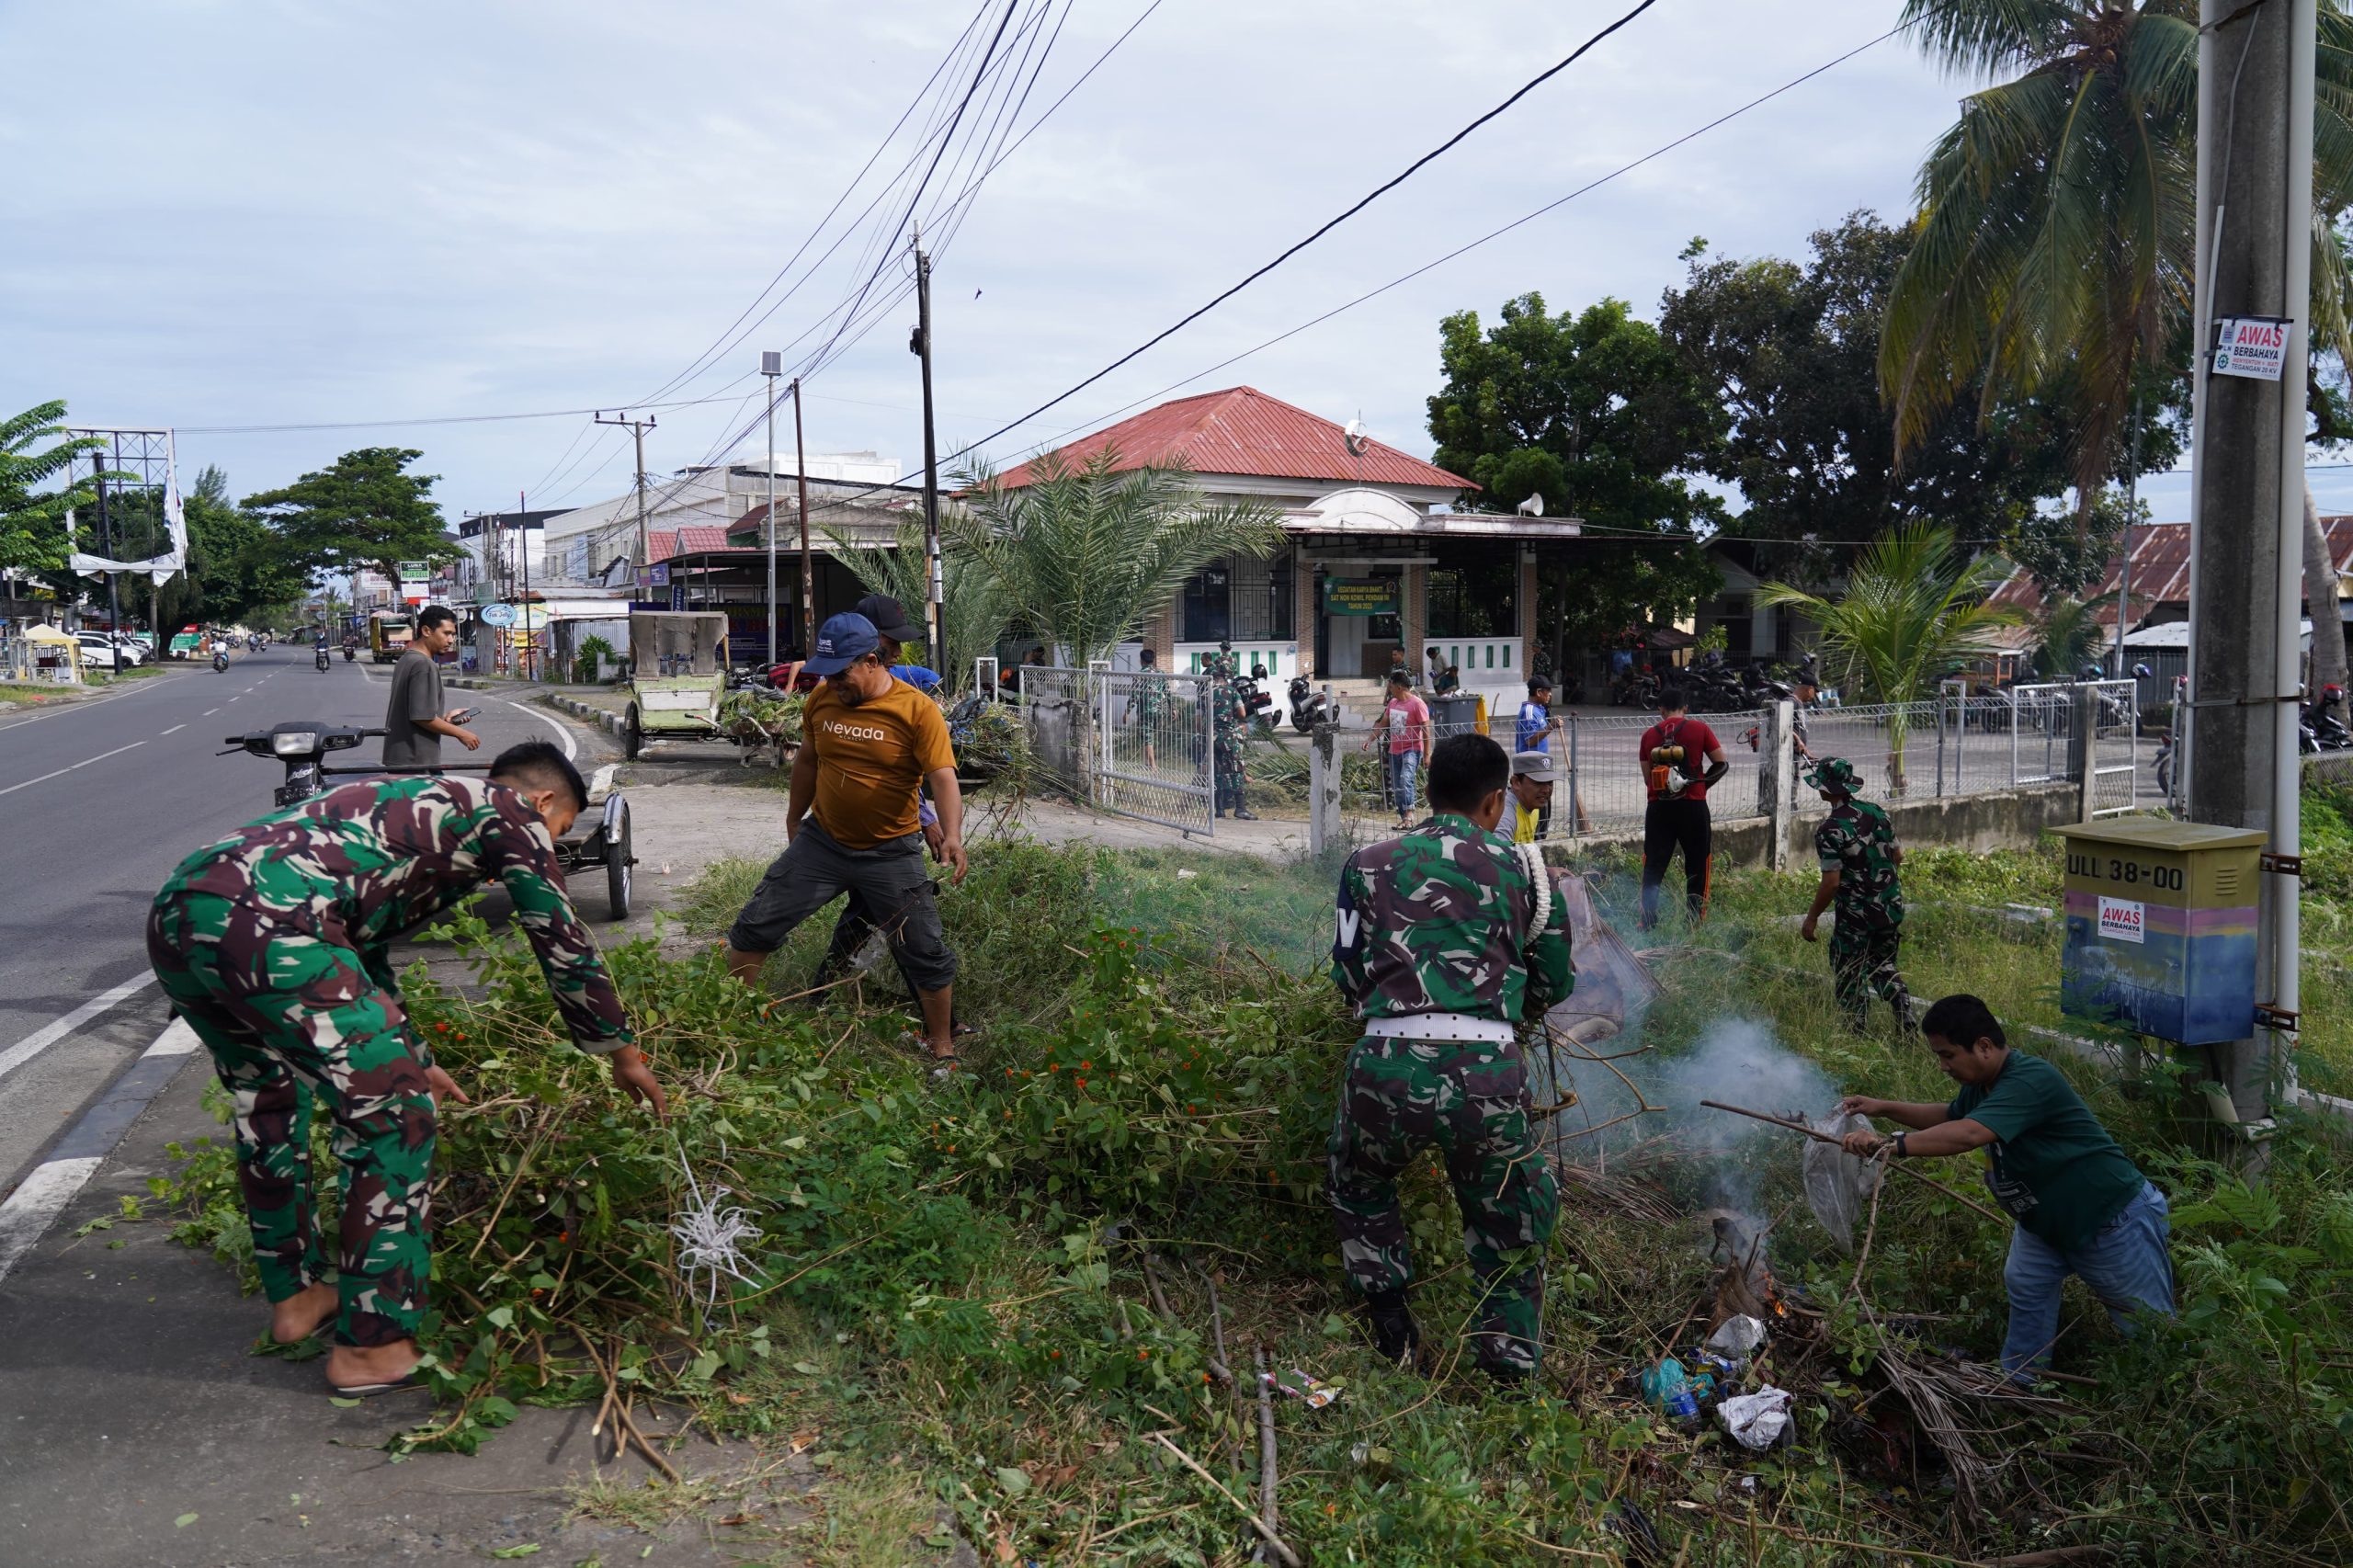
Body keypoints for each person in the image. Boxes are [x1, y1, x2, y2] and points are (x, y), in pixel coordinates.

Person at [145, 741, 665, 1396]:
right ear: (545, 802)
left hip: (182, 910)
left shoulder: (401, 807)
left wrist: (416, 1058)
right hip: (273, 922)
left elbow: (361, 950)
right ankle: (372, 1347)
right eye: (556, 834)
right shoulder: (510, 811)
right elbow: (558, 932)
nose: (548, 848)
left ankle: (296, 1296)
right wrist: (621, 1051)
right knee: (395, 1120)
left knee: (267, 1100)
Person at [1327, 733, 1574, 1386]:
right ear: (1496, 801)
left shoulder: (1368, 861)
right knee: (1511, 1218)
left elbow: (1347, 972)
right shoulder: (1528, 869)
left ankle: (1391, 1324)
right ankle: (1505, 1373)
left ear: (1428, 789)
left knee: (1359, 1179)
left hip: (1386, 1059)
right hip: (1487, 1070)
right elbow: (1554, 981)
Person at [1837, 994, 2173, 1378]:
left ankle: (2169, 1403)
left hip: (2111, 1218)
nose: (1943, 1066)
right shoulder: (1984, 1085)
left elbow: (1968, 1133)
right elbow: (1950, 1115)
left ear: (1983, 1046)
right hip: (2043, 1221)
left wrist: (1890, 1146)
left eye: (1948, 1055)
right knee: (2027, 1286)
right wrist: (1882, 1106)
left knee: (2148, 1329)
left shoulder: (2029, 1079)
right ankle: (2022, 1382)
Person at [722, 613, 970, 1070]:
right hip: (824, 843)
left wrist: (952, 834)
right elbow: (808, 764)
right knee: (758, 921)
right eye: (825, 674)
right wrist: (794, 816)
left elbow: (942, 778)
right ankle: (732, 1018)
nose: (832, 683)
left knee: (923, 948)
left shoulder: (918, 711)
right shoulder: (820, 700)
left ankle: (941, 1045)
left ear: (872, 661)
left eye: (841, 675)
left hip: (891, 851)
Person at [1800, 757, 1913, 1030]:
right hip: (1890, 905)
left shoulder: (1830, 830)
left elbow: (1832, 883)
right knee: (1883, 963)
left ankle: (1855, 1028)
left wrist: (1812, 917)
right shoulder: (1877, 812)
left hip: (1856, 914)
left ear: (1826, 789)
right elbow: (1898, 854)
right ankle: (1902, 1006)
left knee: (1850, 969)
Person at [1635, 686, 1726, 929]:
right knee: (1698, 863)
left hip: (1659, 809)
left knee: (1653, 865)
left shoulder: (1648, 736)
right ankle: (1694, 920)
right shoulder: (1700, 729)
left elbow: (1648, 778)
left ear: (1661, 709)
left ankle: (1647, 921)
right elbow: (1721, 763)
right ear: (1685, 708)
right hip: (1694, 807)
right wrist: (1701, 786)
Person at [384, 606, 479, 767]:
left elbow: (418, 714)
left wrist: (447, 720)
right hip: (416, 762)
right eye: (446, 633)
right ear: (427, 631)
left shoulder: (407, 659)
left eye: (453, 635)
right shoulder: (423, 664)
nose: (451, 640)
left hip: (402, 759)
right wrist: (462, 734)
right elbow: (422, 717)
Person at [1369, 670, 1431, 828]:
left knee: (1405, 779)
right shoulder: (1393, 704)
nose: (1389, 689)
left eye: (1390, 686)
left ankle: (1409, 816)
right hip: (1394, 750)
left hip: (1412, 749)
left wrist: (1426, 755)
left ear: (1398, 687)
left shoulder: (1417, 704)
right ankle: (1404, 818)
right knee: (1397, 786)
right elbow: (1383, 724)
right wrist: (1370, 740)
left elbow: (1426, 730)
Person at [1211, 665, 1257, 820]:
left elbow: (1198, 722)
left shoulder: (1205, 693)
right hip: (1229, 735)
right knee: (1236, 770)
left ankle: (1219, 809)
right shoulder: (1231, 691)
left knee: (1217, 771)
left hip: (1212, 737)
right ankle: (1240, 808)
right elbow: (1242, 713)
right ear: (1225, 679)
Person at [1128, 646, 1168, 770]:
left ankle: (1152, 766)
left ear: (1142, 660)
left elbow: (1134, 695)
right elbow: (1167, 691)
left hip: (1145, 710)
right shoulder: (1161, 674)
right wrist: (1173, 708)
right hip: (1159, 710)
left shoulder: (1139, 675)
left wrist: (1127, 711)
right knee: (1150, 735)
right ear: (1153, 660)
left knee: (1147, 737)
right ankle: (1147, 763)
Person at [1506, 750, 1555, 845]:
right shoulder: (1506, 815)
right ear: (1516, 782)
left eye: (1550, 783)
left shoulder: (1534, 805)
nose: (1546, 790)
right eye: (1538, 782)